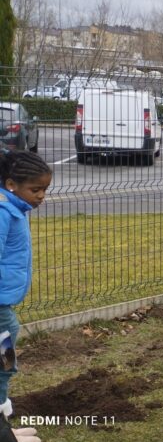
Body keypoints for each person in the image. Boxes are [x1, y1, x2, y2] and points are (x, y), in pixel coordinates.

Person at [0, 151, 51, 440]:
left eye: (44, 189)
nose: (41, 195)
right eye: (36, 189)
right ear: (11, 184)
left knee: (5, 365)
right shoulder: (2, 212)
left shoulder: (11, 209)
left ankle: (4, 427)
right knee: (3, 366)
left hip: (3, 308)